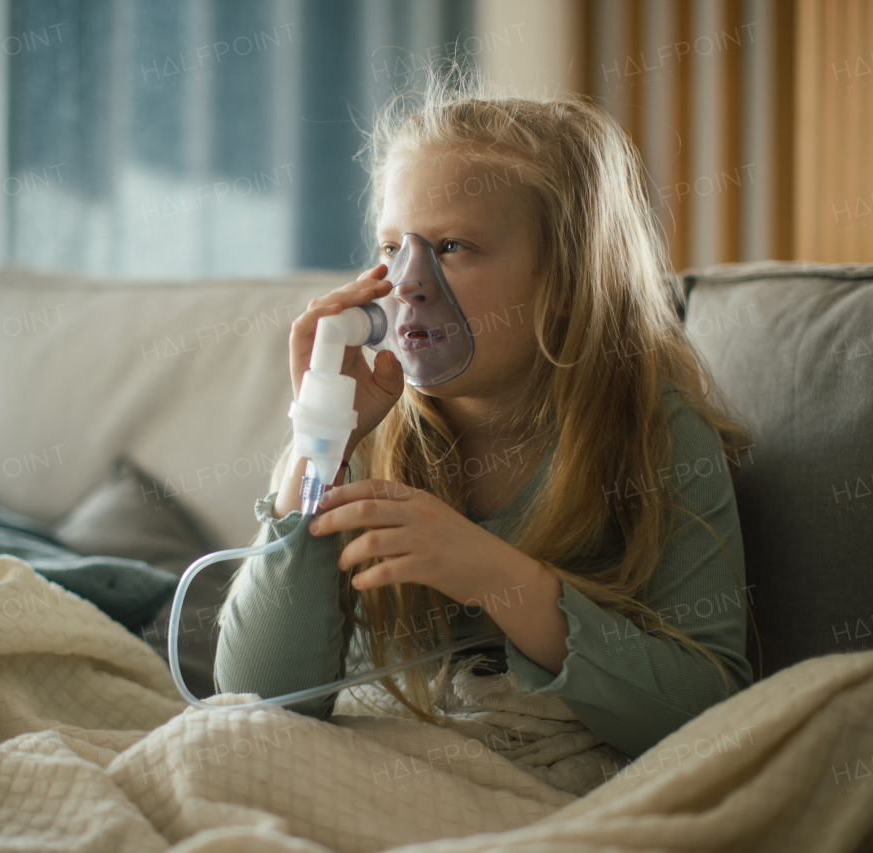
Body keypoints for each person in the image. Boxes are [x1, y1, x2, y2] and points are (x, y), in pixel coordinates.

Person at [214, 75, 755, 762]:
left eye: (450, 248)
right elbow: (255, 702)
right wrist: (315, 447)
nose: (406, 281)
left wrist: (497, 577)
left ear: (565, 282)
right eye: (390, 247)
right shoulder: (366, 429)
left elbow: (716, 716)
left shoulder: (653, 436)